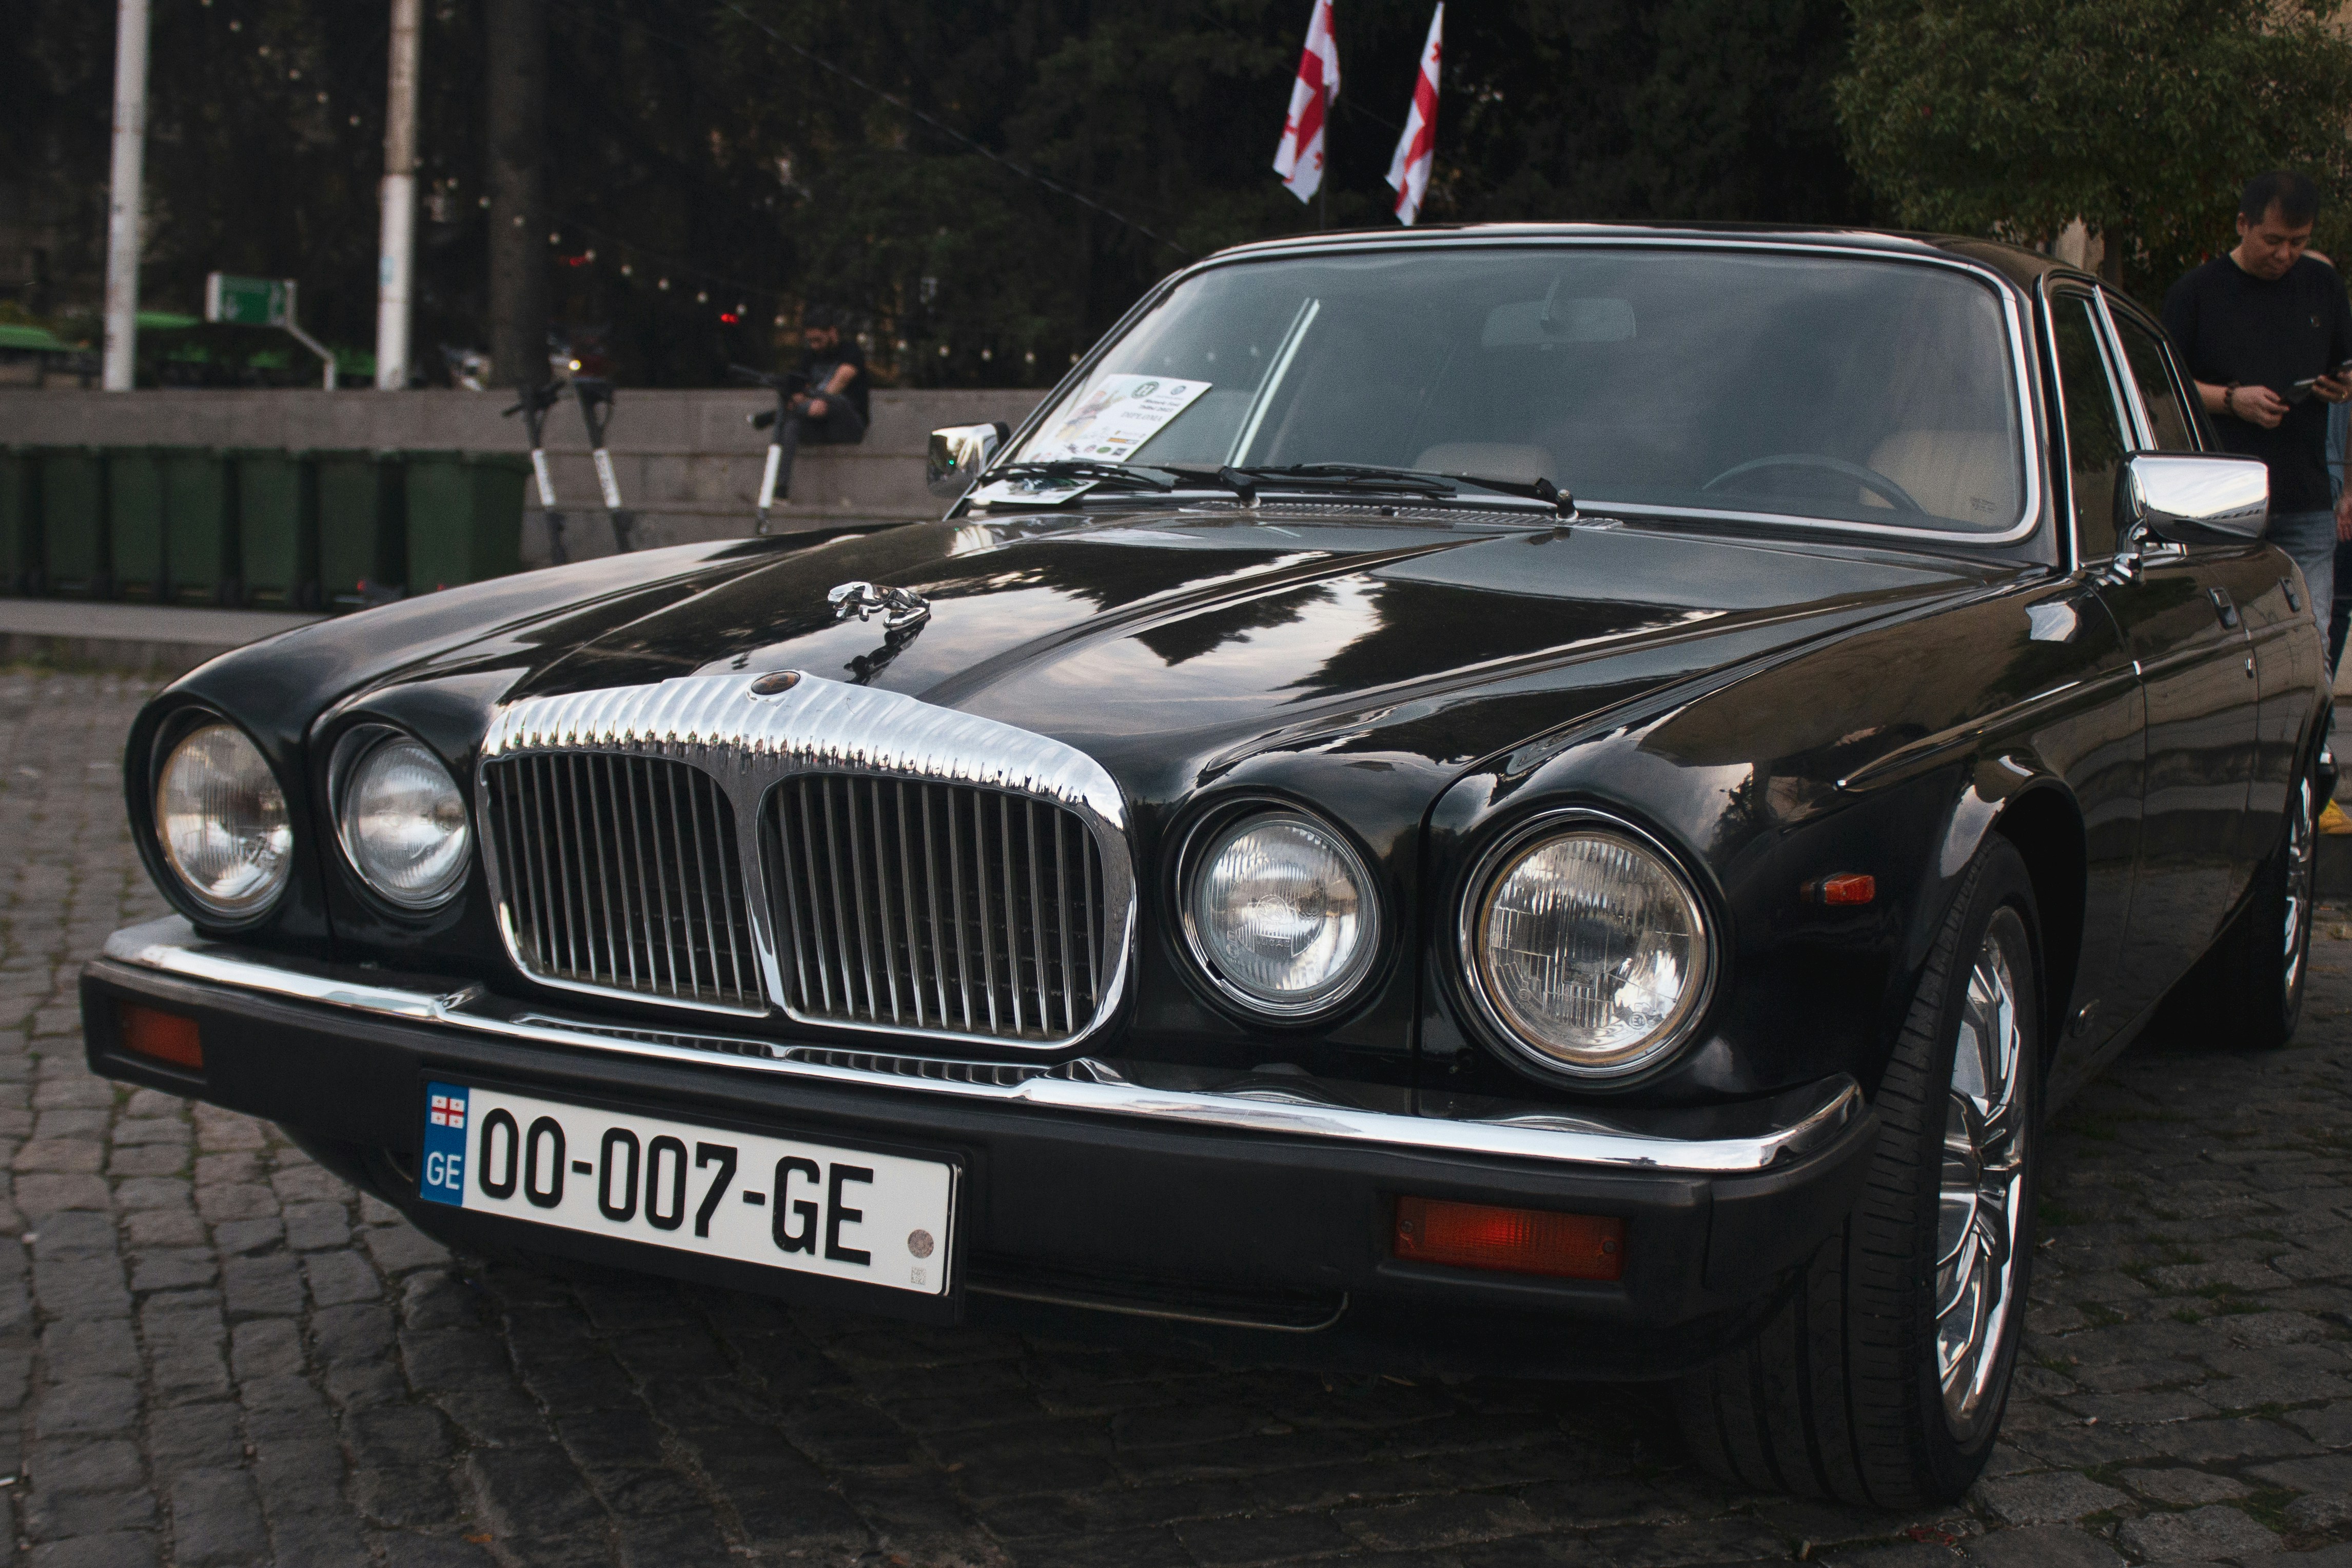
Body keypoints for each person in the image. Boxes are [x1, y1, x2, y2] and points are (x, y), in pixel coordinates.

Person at [2165, 171, 2352, 637]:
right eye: (2273, 240)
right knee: (2220, 642)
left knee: (2310, 638)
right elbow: (2160, 389)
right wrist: (2231, 400)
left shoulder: (2323, 286)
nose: (2284, 254)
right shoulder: (2197, 293)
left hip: (2305, 497)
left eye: (2298, 242)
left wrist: (2341, 385)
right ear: (2243, 224)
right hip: (2220, 503)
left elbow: (2344, 364)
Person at [768, 306, 870, 500]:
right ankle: (779, 488)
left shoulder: (851, 351)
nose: (815, 346)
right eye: (811, 341)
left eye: (818, 340)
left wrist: (820, 400)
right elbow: (800, 391)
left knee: (837, 401)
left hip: (848, 424)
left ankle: (771, 417)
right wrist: (796, 400)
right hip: (820, 424)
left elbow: (841, 381)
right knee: (790, 424)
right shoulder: (810, 357)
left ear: (832, 332)